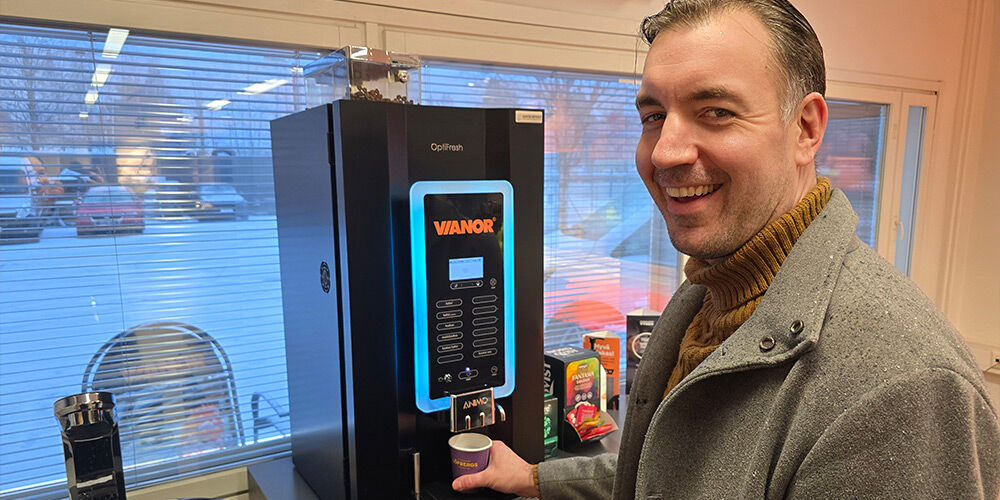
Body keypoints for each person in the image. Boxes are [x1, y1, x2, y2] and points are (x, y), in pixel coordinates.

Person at [452, 0, 1000, 498]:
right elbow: (676, 468)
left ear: (806, 129)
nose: (664, 151)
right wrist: (533, 477)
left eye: (716, 111)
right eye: (653, 116)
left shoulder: (901, 388)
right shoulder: (709, 291)